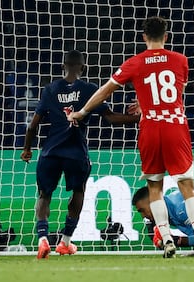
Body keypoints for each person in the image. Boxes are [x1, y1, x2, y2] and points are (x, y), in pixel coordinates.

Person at [68, 16, 194, 258]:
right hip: (175, 127)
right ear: (166, 36)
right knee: (186, 186)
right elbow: (175, 93)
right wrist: (149, 100)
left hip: (150, 129)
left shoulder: (134, 63)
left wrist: (82, 111)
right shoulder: (181, 61)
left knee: (154, 187)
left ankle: (166, 239)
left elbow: (105, 90)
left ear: (144, 37)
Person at [21, 50, 140, 259]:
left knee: (44, 195)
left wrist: (27, 148)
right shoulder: (90, 89)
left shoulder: (50, 90)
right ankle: (65, 242)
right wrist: (138, 119)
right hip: (76, 152)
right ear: (83, 68)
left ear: (62, 67)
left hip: (51, 151)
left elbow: (33, 126)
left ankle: (42, 240)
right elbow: (111, 118)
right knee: (78, 192)